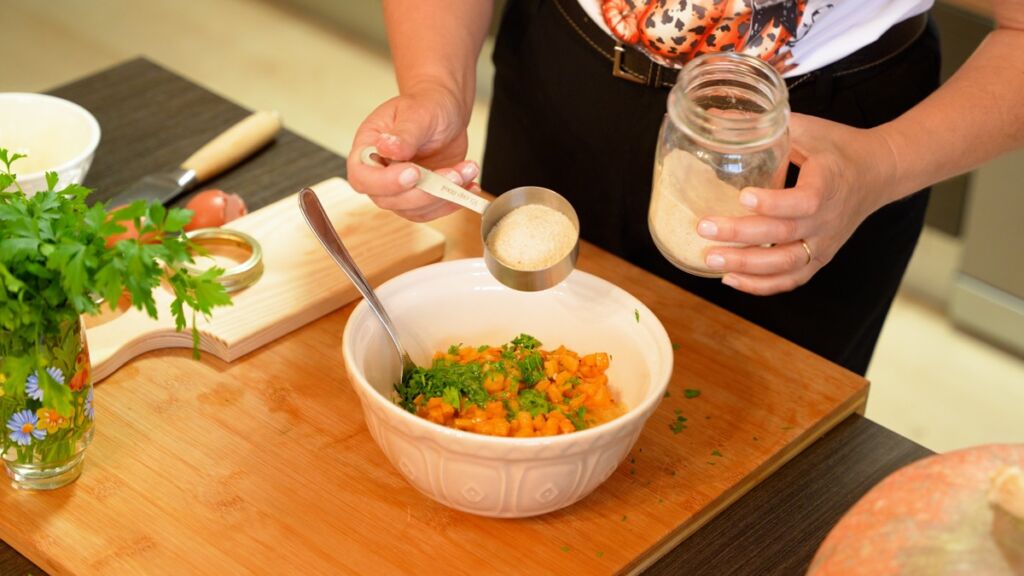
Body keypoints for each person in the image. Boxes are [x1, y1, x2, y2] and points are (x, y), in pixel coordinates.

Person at [346, 0, 1024, 375]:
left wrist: (884, 164)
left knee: (749, 471)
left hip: (822, 148)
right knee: (516, 370)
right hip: (565, 77)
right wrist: (437, 84)